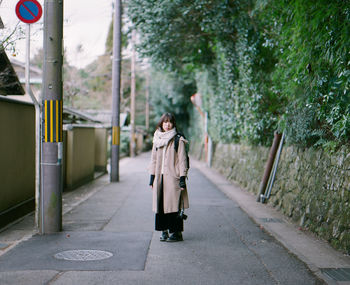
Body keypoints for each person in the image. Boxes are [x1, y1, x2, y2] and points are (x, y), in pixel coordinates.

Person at [149, 113, 189, 242]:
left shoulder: (178, 139)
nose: (167, 124)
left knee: (172, 206)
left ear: (173, 124)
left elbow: (182, 160)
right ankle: (164, 231)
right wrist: (152, 178)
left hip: (173, 178)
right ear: (161, 123)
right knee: (160, 206)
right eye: (165, 122)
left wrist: (182, 179)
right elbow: (153, 160)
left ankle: (176, 233)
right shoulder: (156, 139)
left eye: (170, 122)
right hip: (159, 179)